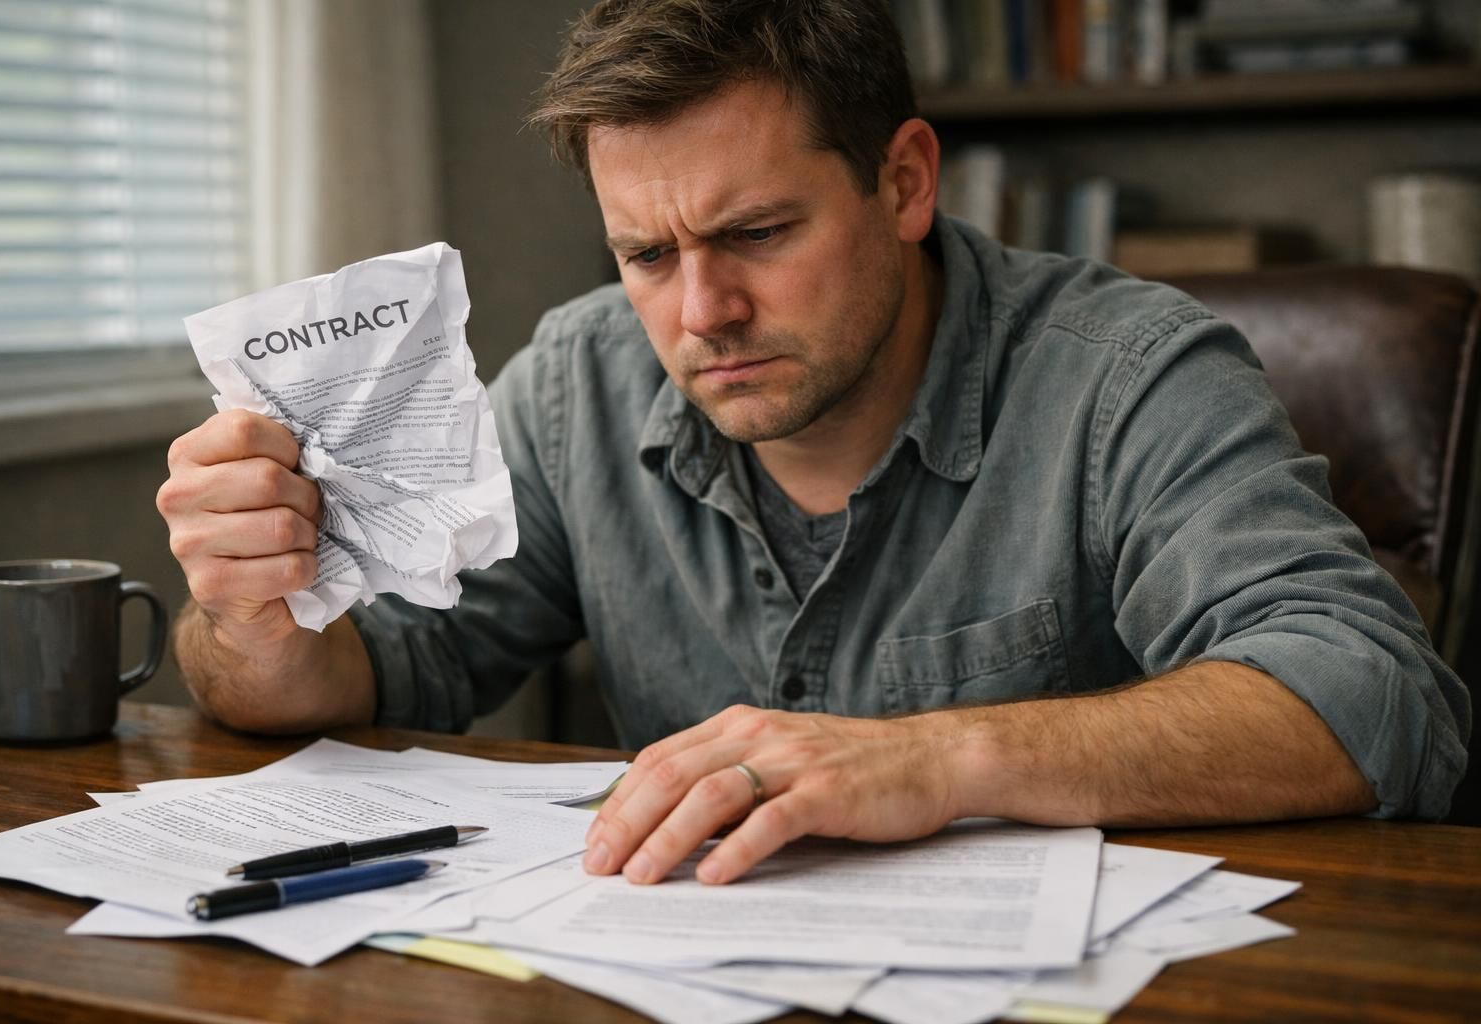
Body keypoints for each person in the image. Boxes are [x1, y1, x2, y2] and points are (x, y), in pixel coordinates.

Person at [157, 0, 1468, 888]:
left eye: (758, 235)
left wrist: (939, 757)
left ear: (903, 180)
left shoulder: (1128, 376)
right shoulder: (578, 382)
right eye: (647, 255)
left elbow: (1374, 702)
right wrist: (261, 625)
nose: (700, 313)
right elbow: (384, 673)